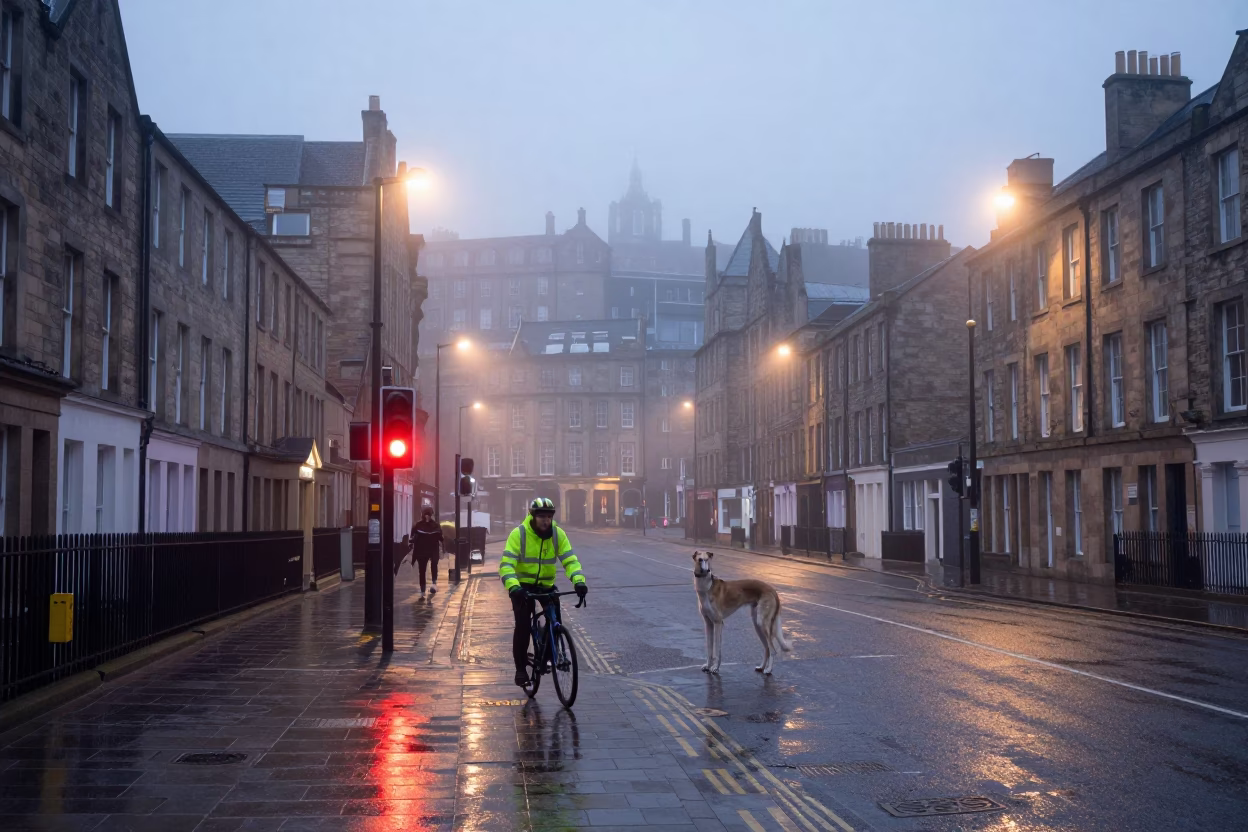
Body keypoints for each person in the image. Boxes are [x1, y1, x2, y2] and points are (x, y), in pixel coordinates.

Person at [500, 497, 588, 687]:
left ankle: (548, 655)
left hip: (546, 585)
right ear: (532, 516)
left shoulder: (558, 535)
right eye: (541, 516)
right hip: (522, 587)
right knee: (523, 625)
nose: (545, 520)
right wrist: (514, 587)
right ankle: (521, 669)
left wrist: (579, 581)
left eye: (548, 516)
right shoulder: (519, 534)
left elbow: (570, 560)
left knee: (555, 620)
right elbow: (506, 565)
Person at [410, 507, 443, 598]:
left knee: (423, 569)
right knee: (431, 566)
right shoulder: (435, 525)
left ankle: (424, 588)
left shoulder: (418, 525)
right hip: (431, 550)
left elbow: (412, 538)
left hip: (422, 551)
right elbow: (441, 538)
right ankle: (432, 584)